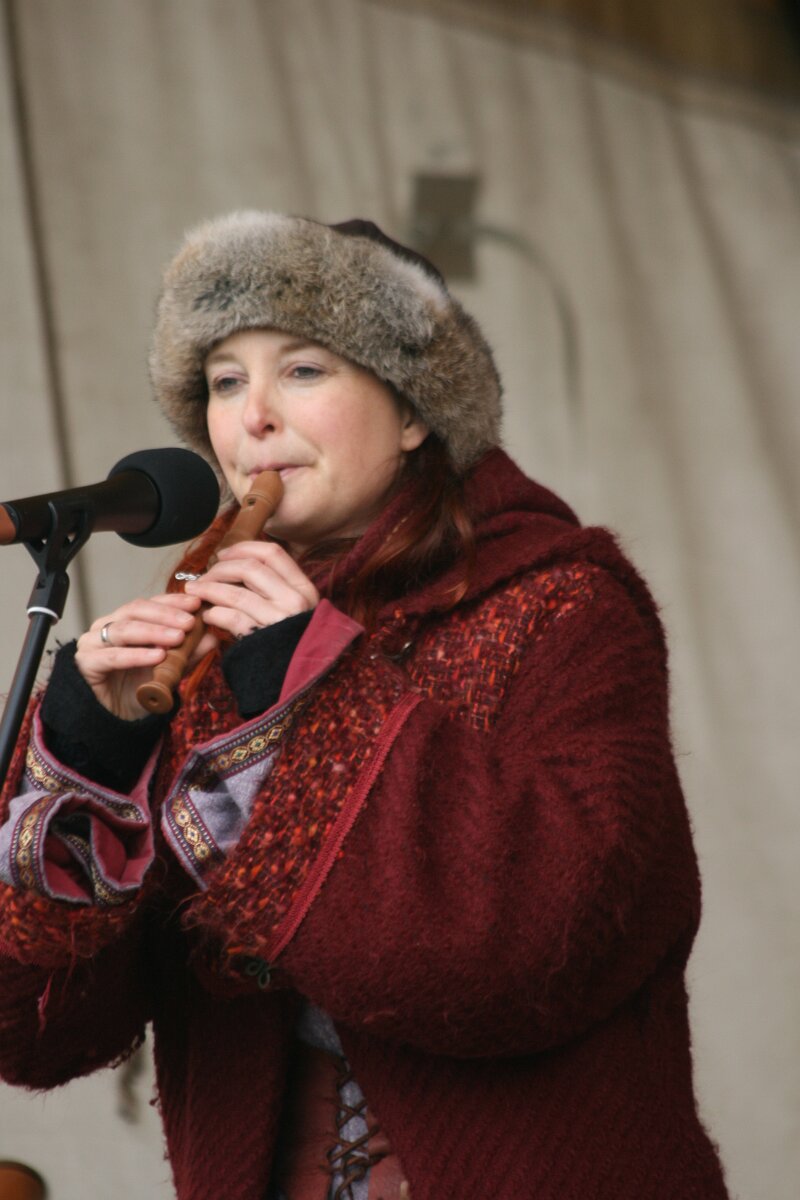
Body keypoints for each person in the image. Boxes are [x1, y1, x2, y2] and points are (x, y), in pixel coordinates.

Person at [0, 212, 730, 1200]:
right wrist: (90, 753)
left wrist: (307, 683)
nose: (253, 418)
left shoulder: (566, 606)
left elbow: (542, 947)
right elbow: (36, 1039)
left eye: (302, 370)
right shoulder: (206, 647)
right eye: (225, 382)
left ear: (415, 410)